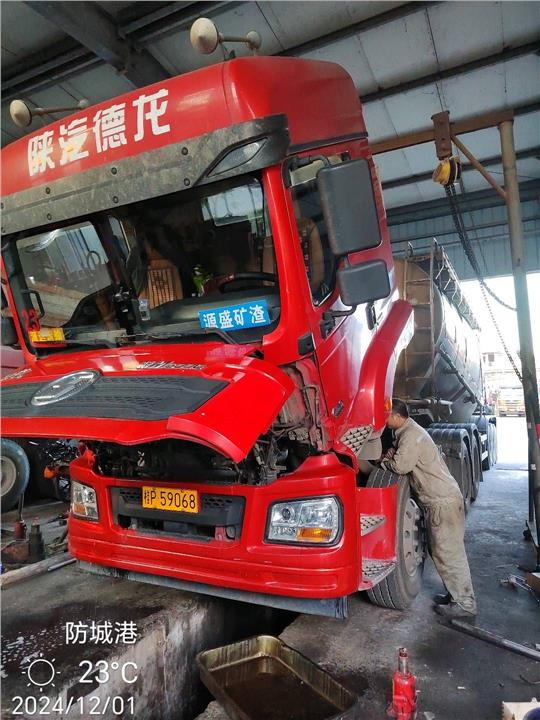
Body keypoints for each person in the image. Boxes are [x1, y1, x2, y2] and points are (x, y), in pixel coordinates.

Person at [381, 399, 477, 619]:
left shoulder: (411, 436)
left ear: (397, 417)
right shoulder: (409, 431)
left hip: (442, 502)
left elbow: (401, 466)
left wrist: (383, 462)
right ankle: (456, 596)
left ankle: (465, 604)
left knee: (449, 553)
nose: (384, 420)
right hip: (441, 500)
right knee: (441, 551)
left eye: (387, 416)